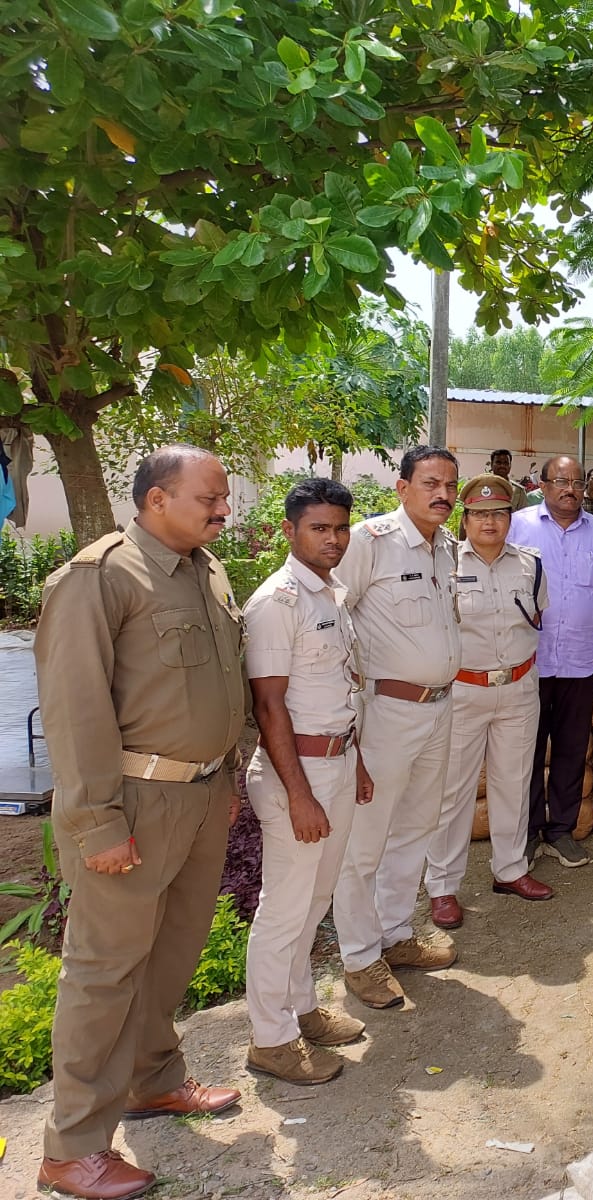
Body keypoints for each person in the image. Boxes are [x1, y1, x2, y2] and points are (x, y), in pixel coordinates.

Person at [34, 446, 248, 1200]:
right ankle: (72, 1147)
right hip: (129, 803)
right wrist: (98, 824)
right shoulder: (99, 578)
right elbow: (74, 711)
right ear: (158, 499)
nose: (224, 511)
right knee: (104, 972)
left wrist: (222, 776)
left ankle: (153, 1081)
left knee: (171, 953)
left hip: (195, 799)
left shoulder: (205, 572)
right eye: (210, 499)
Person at [242, 477, 371, 1086]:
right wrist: (299, 794)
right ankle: (270, 1039)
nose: (333, 539)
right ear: (289, 531)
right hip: (299, 773)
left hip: (337, 762)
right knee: (284, 909)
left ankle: (299, 1011)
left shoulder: (331, 594)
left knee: (314, 903)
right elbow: (269, 707)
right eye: (319, 528)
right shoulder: (278, 602)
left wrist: (358, 761)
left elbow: (340, 686)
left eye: (341, 527)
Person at [333, 446, 463, 1012]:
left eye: (449, 485)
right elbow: (332, 614)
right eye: (430, 482)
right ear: (401, 486)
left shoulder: (444, 550)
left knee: (416, 826)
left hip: (439, 710)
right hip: (385, 711)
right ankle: (360, 959)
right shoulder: (370, 541)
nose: (443, 494)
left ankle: (395, 934)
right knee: (365, 840)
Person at [424, 474, 554, 929]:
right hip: (462, 691)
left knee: (514, 783)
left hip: (518, 689)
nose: (490, 522)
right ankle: (442, 886)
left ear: (509, 518)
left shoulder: (531, 566)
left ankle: (511, 869)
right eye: (479, 514)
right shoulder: (443, 565)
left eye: (499, 512)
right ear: (465, 518)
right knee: (452, 792)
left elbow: (536, 614)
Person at [509, 455, 593, 868]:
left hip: (581, 662)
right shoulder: (517, 526)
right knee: (525, 750)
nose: (570, 489)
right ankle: (525, 832)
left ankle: (561, 830)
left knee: (571, 750)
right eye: (561, 481)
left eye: (577, 482)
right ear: (541, 485)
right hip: (528, 662)